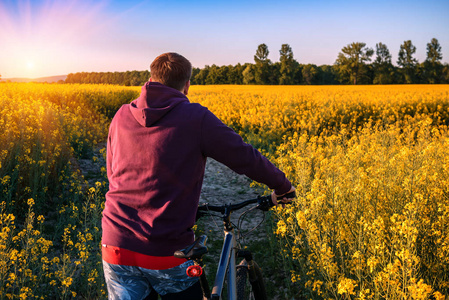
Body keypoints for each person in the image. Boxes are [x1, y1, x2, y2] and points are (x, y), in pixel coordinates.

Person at [101, 52, 295, 300]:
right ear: (187, 85)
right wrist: (282, 186)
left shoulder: (120, 115)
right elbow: (244, 156)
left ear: (150, 78)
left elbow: (113, 172)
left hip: (116, 244)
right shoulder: (196, 117)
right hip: (165, 250)